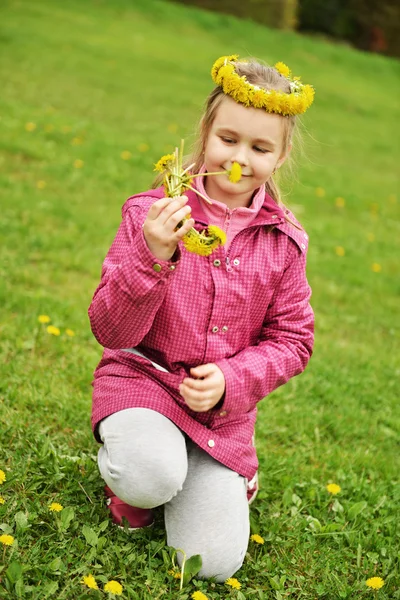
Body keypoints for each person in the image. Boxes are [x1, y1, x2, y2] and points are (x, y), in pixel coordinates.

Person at [88, 54, 315, 582]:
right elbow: (111, 331)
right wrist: (153, 255)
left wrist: (233, 379)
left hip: (219, 417)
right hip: (143, 384)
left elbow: (294, 340)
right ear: (206, 135)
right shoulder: (153, 214)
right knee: (148, 475)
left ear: (280, 156)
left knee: (211, 564)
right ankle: (140, 480)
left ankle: (214, 474)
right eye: (228, 140)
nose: (240, 158)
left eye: (260, 148)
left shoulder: (283, 242)